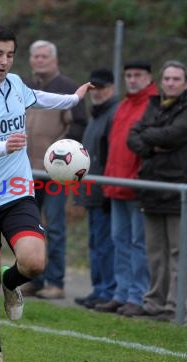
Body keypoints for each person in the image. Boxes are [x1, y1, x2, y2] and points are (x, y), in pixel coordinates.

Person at [0, 25, 92, 362]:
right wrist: (3, 146)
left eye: (10, 55)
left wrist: (73, 99)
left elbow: (39, 97)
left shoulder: (15, 84)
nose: (4, 61)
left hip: (16, 191)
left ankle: (12, 285)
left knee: (33, 263)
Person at [127, 60, 187, 321]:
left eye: (176, 79)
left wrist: (152, 136)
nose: (170, 83)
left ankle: (174, 306)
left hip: (178, 190)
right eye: (167, 78)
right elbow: (133, 136)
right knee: (155, 251)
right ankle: (154, 303)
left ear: (185, 82)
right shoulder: (154, 105)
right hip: (152, 187)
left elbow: (173, 135)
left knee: (178, 252)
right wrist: (153, 143)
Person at [21, 40, 88, 299]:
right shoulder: (25, 87)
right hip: (27, 171)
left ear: (54, 60)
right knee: (30, 228)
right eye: (35, 56)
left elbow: (80, 124)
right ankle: (34, 279)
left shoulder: (69, 89)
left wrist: (59, 155)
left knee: (56, 227)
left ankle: (56, 283)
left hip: (56, 173)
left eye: (44, 56)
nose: (39, 60)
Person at [94, 61, 157, 317]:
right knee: (119, 241)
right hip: (116, 185)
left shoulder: (152, 105)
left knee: (138, 243)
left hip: (137, 186)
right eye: (128, 75)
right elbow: (112, 148)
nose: (132, 79)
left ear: (148, 77)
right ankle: (120, 293)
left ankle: (137, 295)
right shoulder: (123, 106)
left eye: (137, 75)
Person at [74, 68, 118, 309]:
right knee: (95, 242)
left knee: (105, 244)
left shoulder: (113, 114)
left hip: (103, 192)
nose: (97, 93)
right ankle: (98, 288)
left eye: (102, 88)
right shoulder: (97, 115)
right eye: (93, 88)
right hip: (91, 190)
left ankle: (106, 289)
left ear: (111, 88)